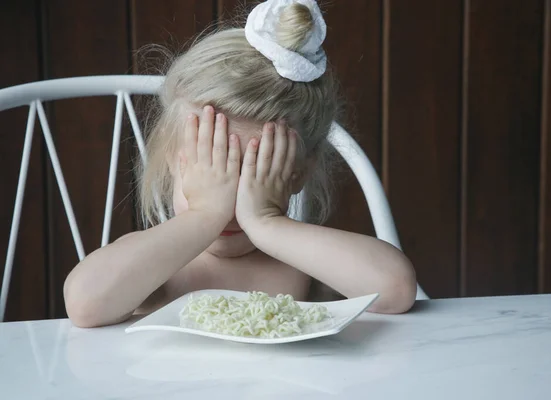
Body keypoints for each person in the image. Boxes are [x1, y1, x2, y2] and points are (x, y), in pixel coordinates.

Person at [64, 0, 417, 328]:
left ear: (298, 174)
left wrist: (266, 224)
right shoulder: (158, 264)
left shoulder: (302, 263)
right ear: (174, 160)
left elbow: (397, 289)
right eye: (214, 171)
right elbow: (84, 304)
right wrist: (202, 217)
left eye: (255, 175)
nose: (229, 207)